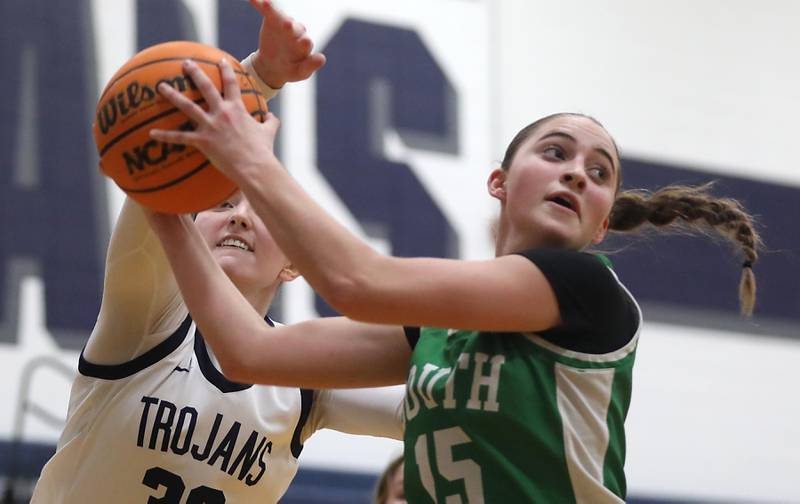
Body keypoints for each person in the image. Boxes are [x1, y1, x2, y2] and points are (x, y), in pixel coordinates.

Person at [147, 56, 762, 502]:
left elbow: (357, 282)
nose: (577, 173)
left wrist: (251, 159)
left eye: (598, 173)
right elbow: (249, 352)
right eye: (555, 153)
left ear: (601, 225)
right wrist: (159, 207)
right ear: (498, 182)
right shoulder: (441, 328)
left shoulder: (585, 288)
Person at [30, 3, 404, 503]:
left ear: (296, 261)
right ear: (188, 218)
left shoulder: (306, 377)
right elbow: (154, 186)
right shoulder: (148, 320)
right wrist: (259, 80)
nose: (241, 215)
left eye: (263, 212)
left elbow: (433, 410)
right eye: (221, 201)